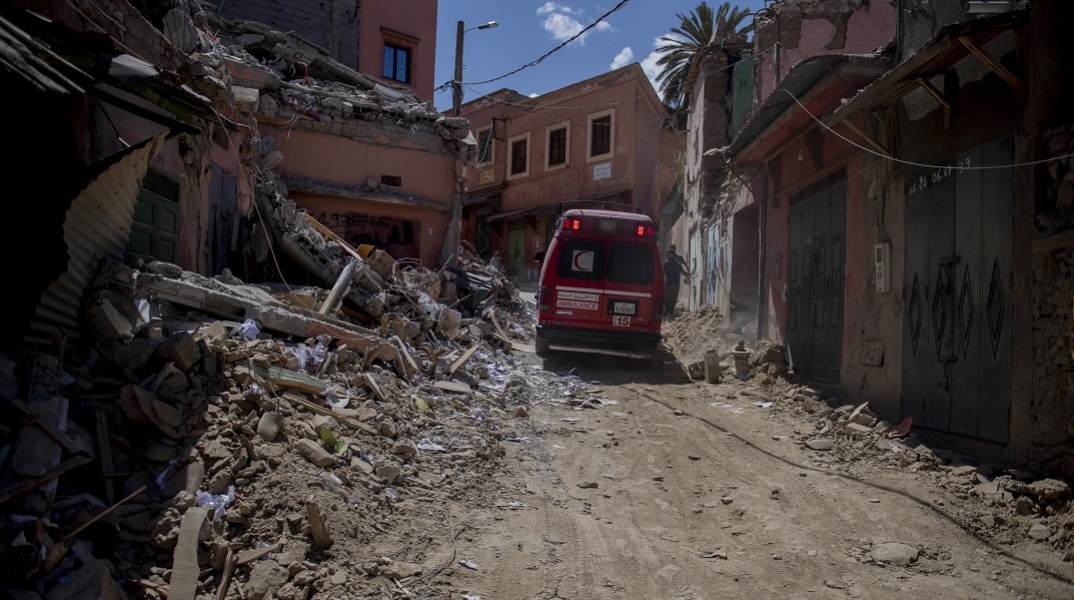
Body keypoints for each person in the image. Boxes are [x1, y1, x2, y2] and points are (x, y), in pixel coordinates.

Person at [663, 244, 691, 317]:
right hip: (676, 284)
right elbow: (683, 272)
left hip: (669, 283)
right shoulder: (678, 263)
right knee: (673, 299)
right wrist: (689, 273)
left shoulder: (666, 262)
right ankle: (671, 313)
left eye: (668, 254)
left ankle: (666, 313)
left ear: (671, 254)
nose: (666, 255)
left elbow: (664, 273)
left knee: (667, 298)